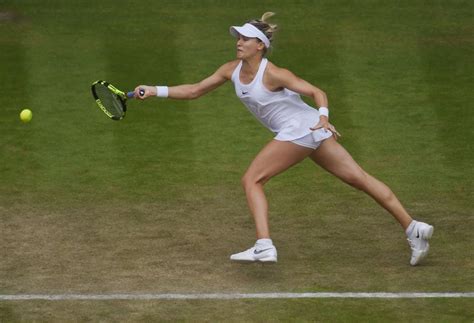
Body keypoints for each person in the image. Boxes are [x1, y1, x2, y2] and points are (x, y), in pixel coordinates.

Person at [133, 12, 434, 266]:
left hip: (302, 129)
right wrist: (155, 90)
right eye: (238, 38)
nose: (238, 42)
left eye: (245, 39)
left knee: (252, 179)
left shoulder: (275, 74)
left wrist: (324, 116)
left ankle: (264, 244)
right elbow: (195, 90)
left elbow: (317, 92)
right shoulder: (231, 70)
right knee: (358, 178)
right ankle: (414, 228)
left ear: (260, 46)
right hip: (309, 131)